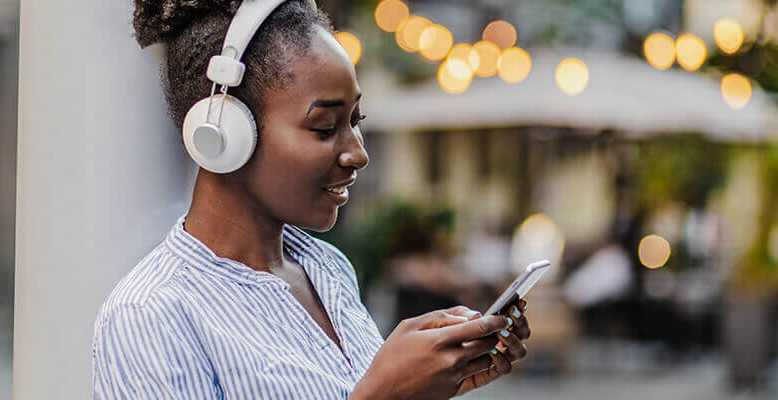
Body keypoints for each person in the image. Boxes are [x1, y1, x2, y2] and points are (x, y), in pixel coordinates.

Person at [93, 0, 530, 398]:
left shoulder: (328, 270)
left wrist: (433, 380)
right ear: (225, 133)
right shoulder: (150, 315)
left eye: (356, 120)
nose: (358, 153)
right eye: (324, 127)